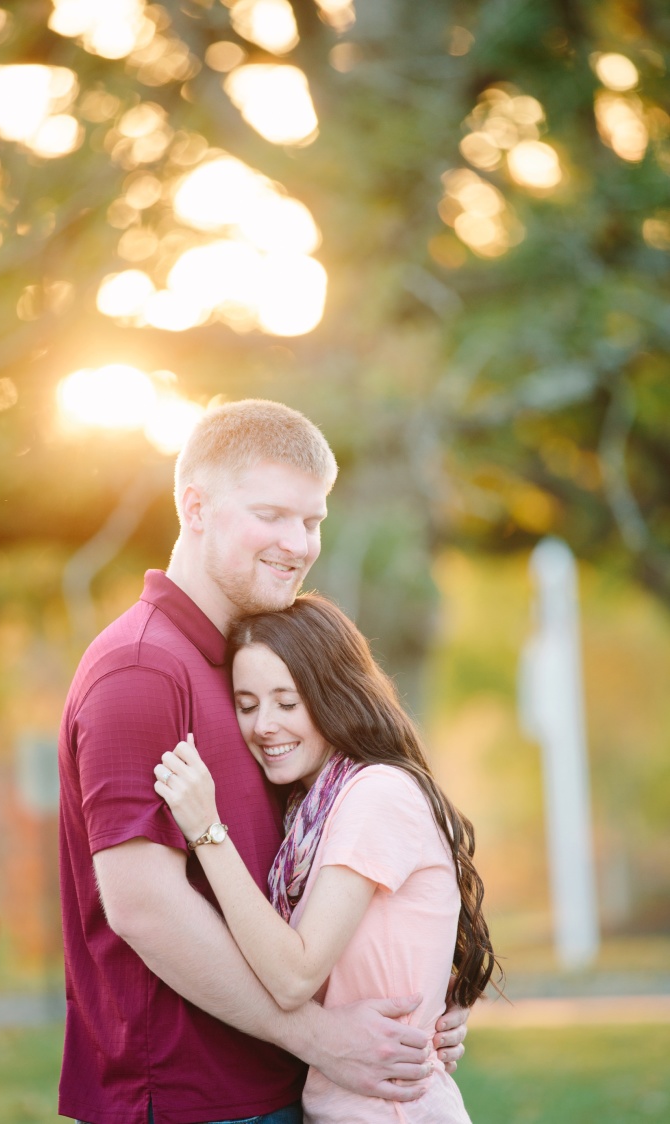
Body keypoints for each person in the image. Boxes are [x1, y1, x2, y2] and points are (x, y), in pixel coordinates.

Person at [58, 399, 469, 1124]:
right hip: (190, 1100)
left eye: (313, 521)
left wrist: (418, 1010)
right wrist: (321, 1038)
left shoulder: (250, 669)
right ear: (196, 507)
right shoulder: (143, 669)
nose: (299, 543)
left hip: (279, 1088)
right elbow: (143, 907)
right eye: (273, 515)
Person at [153, 593, 499, 1122]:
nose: (264, 725)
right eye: (247, 705)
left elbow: (294, 976)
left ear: (335, 695)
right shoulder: (310, 811)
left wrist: (206, 831)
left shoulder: (375, 794)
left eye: (287, 703)